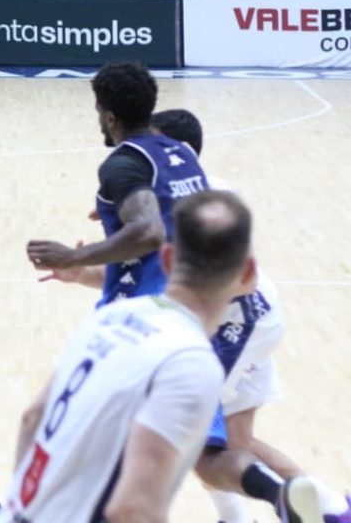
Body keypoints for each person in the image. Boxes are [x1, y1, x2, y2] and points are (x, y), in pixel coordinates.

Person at [26, 63, 329, 521]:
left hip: (149, 328)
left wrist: (73, 256)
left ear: (108, 115)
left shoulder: (125, 165)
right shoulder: (182, 161)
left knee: (81, 429)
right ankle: (280, 495)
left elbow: (149, 233)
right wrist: (94, 257)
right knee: (210, 453)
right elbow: (162, 241)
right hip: (194, 325)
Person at [0, 191, 268, 522]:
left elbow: (32, 418)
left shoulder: (111, 315)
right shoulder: (192, 364)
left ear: (168, 259)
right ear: (248, 273)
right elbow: (132, 510)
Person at [149, 110, 351, 523]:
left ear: (179, 151)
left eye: (153, 144)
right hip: (241, 324)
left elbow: (244, 279)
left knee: (198, 439)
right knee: (234, 443)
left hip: (239, 326)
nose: (143, 154)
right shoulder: (161, 197)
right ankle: (333, 508)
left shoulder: (208, 201)